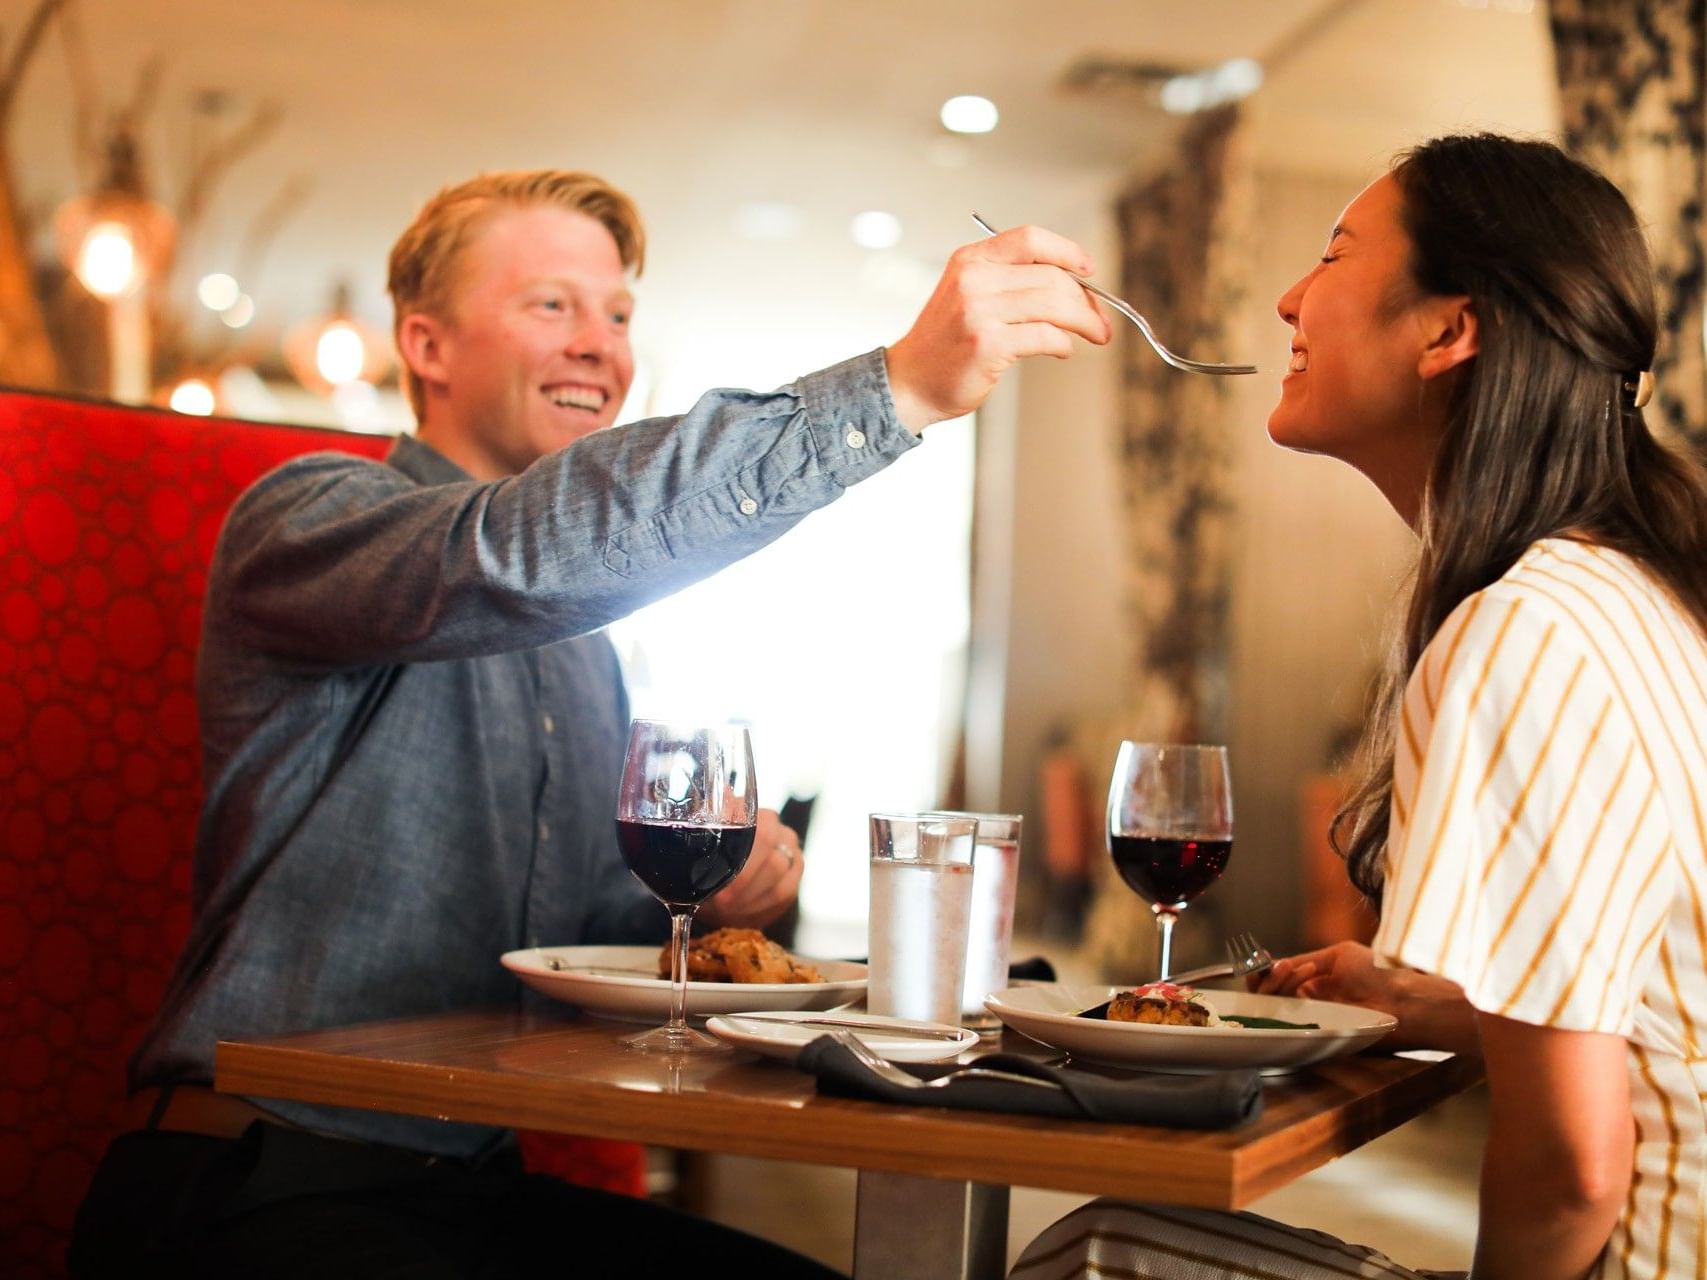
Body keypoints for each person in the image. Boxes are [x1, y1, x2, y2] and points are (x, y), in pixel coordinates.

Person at [67, 168, 1110, 1278]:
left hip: (465, 1189)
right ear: (425, 345)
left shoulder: (584, 653)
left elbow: (572, 940)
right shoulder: (307, 518)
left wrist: (710, 904)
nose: (599, 346)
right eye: (551, 304)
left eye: (616, 315)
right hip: (250, 1179)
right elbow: (513, 554)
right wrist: (892, 390)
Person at [1011, 133, 1707, 1280]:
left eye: (1334, 256)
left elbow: (1577, 1169)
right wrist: (1457, 1012)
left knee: (1100, 1249)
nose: (1290, 296)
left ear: (1447, 330)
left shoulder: (1525, 628)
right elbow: (1660, 1016)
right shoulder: (1642, 591)